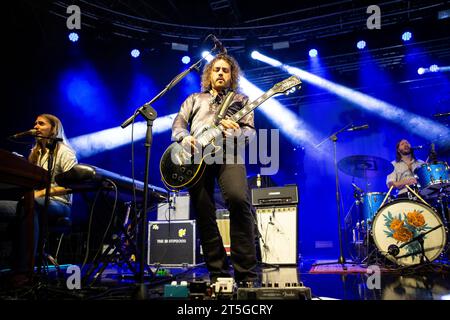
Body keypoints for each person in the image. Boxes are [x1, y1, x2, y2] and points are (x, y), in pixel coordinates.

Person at [170, 53, 258, 284]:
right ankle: (218, 272)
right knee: (203, 211)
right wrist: (184, 137)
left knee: (239, 201)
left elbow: (250, 129)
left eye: (225, 70)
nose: (220, 73)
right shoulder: (194, 99)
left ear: (232, 76)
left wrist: (238, 133)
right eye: (216, 69)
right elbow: (179, 121)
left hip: (229, 153)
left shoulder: (241, 100)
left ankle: (246, 274)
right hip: (196, 158)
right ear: (209, 74)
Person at [0, 114, 77, 285]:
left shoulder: (65, 152)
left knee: (31, 204)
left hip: (60, 204)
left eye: (41, 123)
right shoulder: (35, 153)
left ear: (53, 129)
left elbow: (72, 186)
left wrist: (41, 193)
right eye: (35, 123)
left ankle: (24, 270)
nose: (36, 126)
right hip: (34, 202)